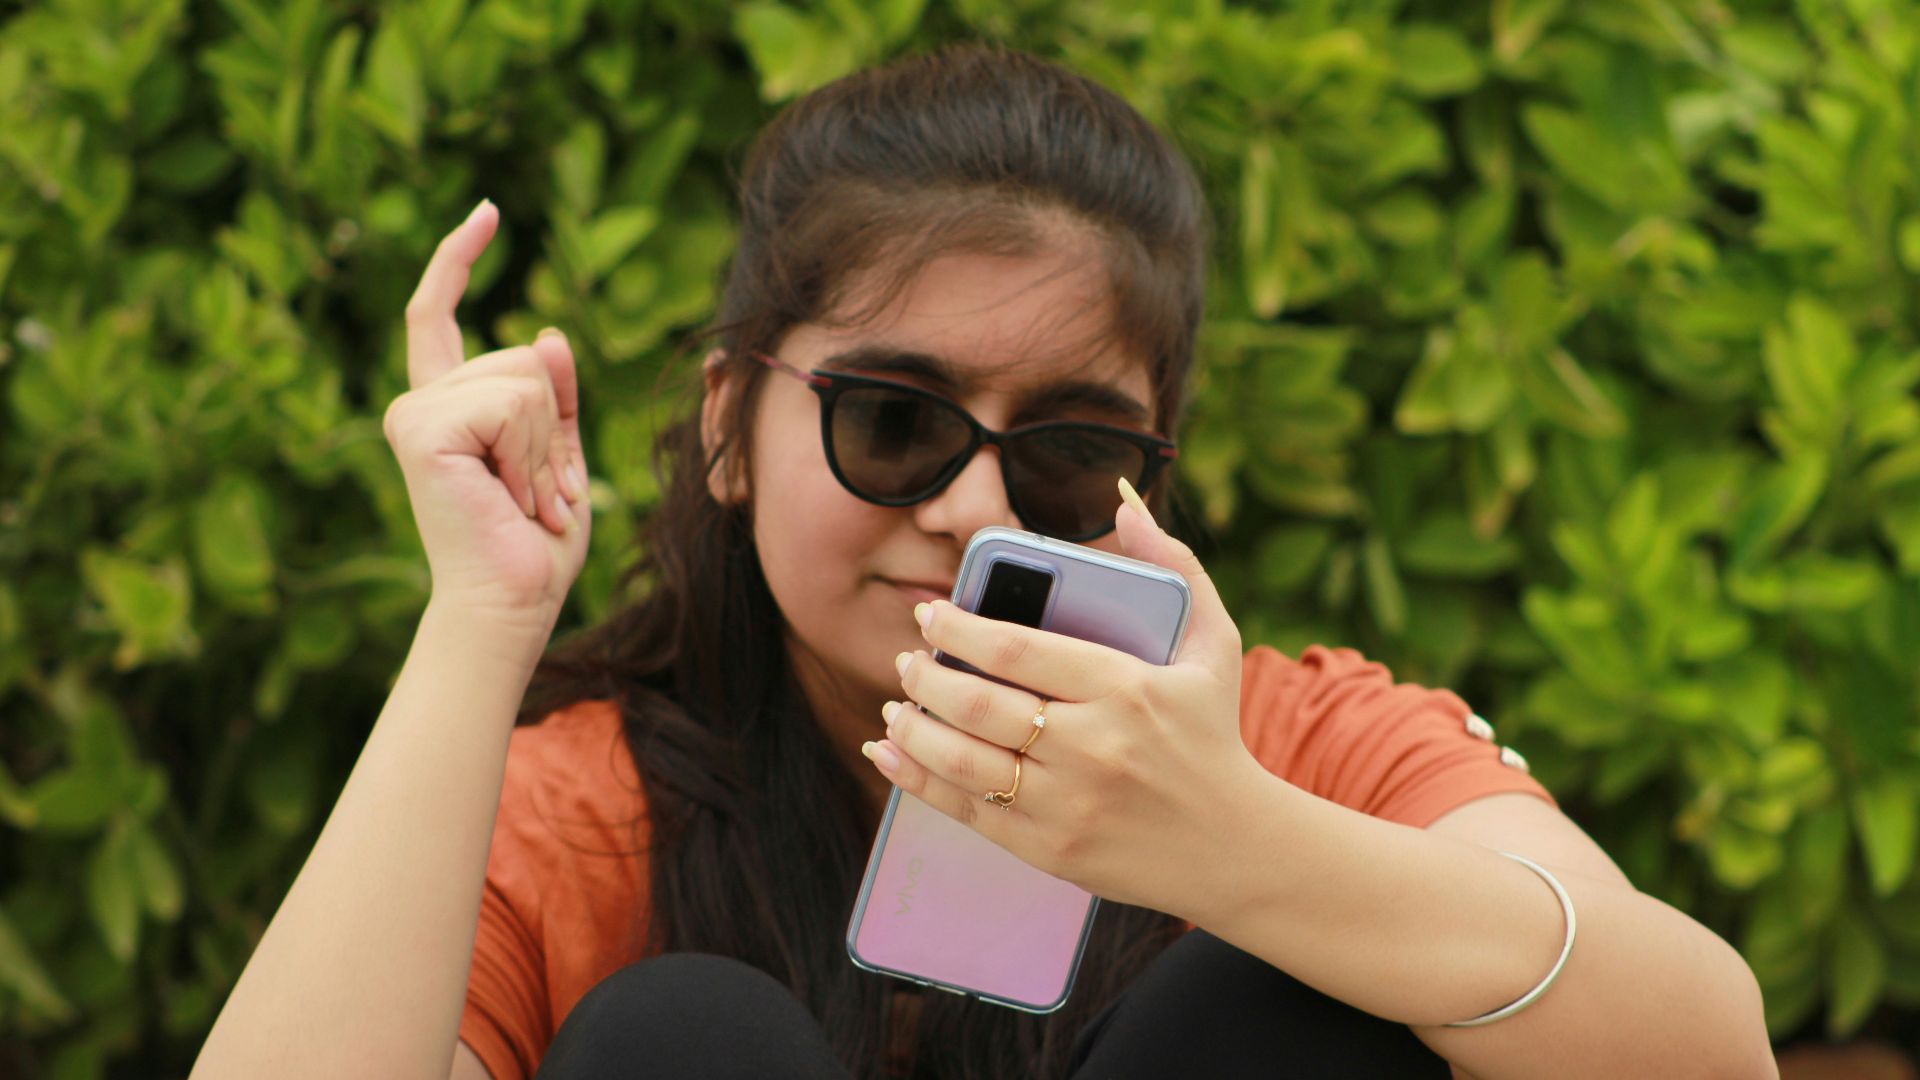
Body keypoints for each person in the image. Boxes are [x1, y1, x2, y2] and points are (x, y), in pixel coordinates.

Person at [192, 44, 1775, 1080]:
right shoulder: (591, 818)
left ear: (1153, 477)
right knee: (683, 1044)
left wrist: (1235, 845)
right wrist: (480, 623)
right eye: (895, 422)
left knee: (1277, 1005)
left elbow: (1713, 1049)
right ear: (733, 425)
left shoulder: (1293, 743)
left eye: (1070, 450)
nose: (975, 511)